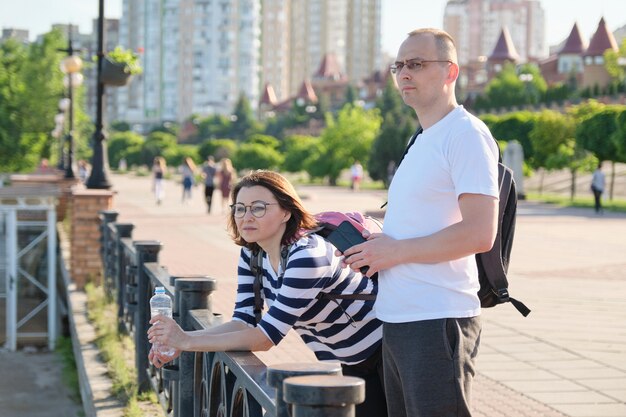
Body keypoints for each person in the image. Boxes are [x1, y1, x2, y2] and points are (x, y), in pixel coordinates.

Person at [342, 28, 499, 417]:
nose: (404, 74)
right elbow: (420, 220)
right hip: (398, 318)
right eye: (399, 66)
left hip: (437, 320)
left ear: (450, 72)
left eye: (416, 64)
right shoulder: (422, 139)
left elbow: (480, 233)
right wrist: (368, 228)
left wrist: (394, 251)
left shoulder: (465, 134)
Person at [148, 170, 387, 417]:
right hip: (352, 357)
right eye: (239, 208)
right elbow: (243, 322)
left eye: (258, 208)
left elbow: (265, 338)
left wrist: (186, 341)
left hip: (389, 347)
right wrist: (184, 339)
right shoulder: (253, 253)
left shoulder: (308, 256)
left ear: (286, 211)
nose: (246, 217)